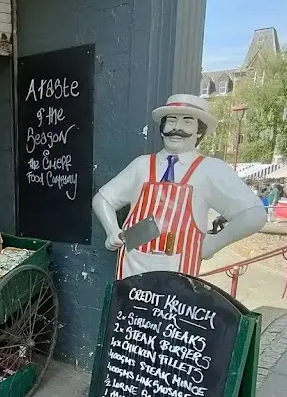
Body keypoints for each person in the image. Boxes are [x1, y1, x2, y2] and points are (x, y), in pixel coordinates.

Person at [92, 93, 267, 278]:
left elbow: (254, 215)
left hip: (178, 266)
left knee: (170, 304)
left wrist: (213, 243)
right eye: (171, 120)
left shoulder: (210, 169)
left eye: (187, 122)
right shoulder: (141, 165)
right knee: (131, 305)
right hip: (132, 263)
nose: (177, 128)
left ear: (200, 131)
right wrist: (112, 230)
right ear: (162, 128)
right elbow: (102, 199)